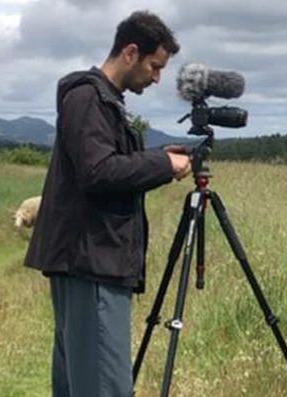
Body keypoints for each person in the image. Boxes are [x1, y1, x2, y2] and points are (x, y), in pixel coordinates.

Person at [24, 11, 190, 397]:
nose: (156, 77)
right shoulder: (88, 97)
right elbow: (97, 172)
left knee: (80, 383)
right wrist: (162, 163)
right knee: (103, 386)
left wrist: (156, 157)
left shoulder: (101, 100)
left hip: (88, 259)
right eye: (154, 66)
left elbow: (105, 162)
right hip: (91, 261)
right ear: (130, 52)